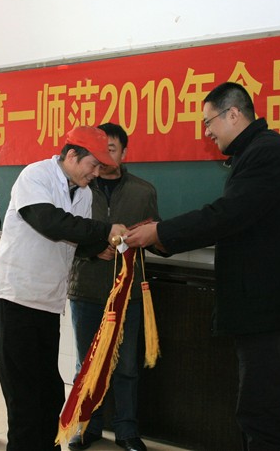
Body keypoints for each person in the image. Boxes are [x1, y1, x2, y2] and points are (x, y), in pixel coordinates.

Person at [124, 82, 280, 451]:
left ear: (234, 114)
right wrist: (159, 236)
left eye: (209, 122)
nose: (207, 133)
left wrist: (159, 232)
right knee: (258, 406)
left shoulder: (267, 152)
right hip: (263, 307)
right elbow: (231, 221)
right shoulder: (254, 153)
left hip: (269, 308)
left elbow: (226, 215)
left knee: (261, 412)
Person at [0, 126, 127, 451]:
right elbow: (49, 222)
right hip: (17, 297)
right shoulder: (35, 176)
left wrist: (98, 247)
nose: (96, 174)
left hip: (48, 302)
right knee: (24, 396)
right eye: (93, 165)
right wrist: (104, 231)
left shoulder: (83, 193)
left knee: (49, 392)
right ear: (72, 155)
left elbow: (73, 237)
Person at [66, 123, 160, 451]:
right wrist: (92, 249)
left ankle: (126, 430)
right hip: (86, 289)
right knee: (86, 364)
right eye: (99, 151)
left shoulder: (143, 191)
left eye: (112, 150)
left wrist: (143, 237)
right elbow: (66, 233)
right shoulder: (79, 187)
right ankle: (86, 427)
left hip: (128, 294)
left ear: (124, 153)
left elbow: (155, 236)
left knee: (126, 366)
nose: (104, 158)